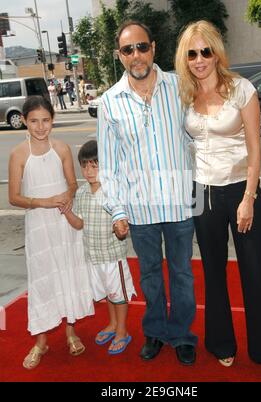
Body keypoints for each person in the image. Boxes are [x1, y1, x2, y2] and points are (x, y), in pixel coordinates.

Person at [175, 20, 261, 368]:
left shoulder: (241, 89)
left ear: (216, 51)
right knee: (212, 270)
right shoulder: (186, 93)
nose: (199, 59)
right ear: (185, 58)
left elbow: (255, 150)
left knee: (256, 270)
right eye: (192, 53)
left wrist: (249, 198)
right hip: (201, 192)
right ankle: (221, 343)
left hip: (241, 189)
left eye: (205, 51)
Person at [97, 21, 197, 365]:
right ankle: (155, 332)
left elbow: (196, 138)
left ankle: (183, 334)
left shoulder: (180, 86)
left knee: (182, 273)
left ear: (153, 48)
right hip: (139, 212)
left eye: (141, 47)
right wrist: (118, 211)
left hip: (181, 204)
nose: (136, 55)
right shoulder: (109, 102)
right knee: (151, 276)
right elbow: (109, 166)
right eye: (128, 50)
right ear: (119, 55)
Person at [8, 96, 95, 369]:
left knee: (68, 273)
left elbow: (72, 183)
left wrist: (67, 197)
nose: (40, 126)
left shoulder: (62, 148)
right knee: (42, 280)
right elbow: (13, 197)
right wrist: (42, 202)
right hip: (39, 227)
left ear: (53, 120)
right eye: (34, 121)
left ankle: (71, 332)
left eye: (45, 120)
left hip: (63, 224)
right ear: (24, 121)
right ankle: (41, 342)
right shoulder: (18, 154)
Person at [62, 140, 136, 354]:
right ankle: (112, 324)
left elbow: (122, 221)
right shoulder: (83, 193)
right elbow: (80, 223)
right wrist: (67, 212)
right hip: (93, 257)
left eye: (95, 166)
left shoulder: (112, 192)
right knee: (107, 295)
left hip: (113, 256)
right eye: (85, 166)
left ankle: (122, 331)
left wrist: (120, 227)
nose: (89, 171)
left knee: (118, 295)